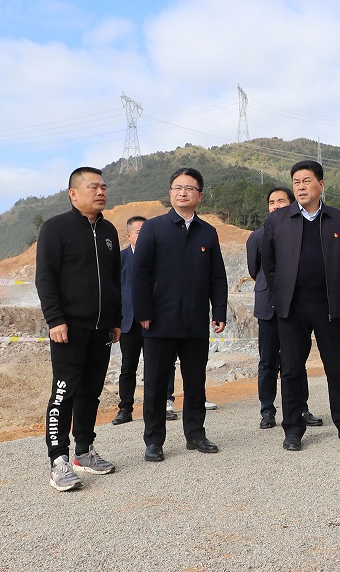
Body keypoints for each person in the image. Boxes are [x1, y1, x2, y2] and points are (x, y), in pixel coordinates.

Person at [262, 160, 340, 451]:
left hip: (329, 305)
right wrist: (280, 294)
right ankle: (293, 429)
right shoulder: (278, 219)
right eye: (296, 182)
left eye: (306, 181)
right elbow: (268, 263)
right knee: (291, 369)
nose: (300, 187)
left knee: (336, 367)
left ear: (321, 185)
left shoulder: (336, 219)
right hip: (292, 307)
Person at [132, 167, 228, 462]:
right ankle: (154, 440)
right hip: (159, 320)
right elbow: (140, 273)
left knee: (195, 381)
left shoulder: (208, 232)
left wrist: (219, 311)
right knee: (156, 383)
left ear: (200, 195)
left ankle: (195, 434)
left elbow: (217, 277)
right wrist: (143, 311)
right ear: (170, 193)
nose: (183, 192)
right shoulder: (154, 228)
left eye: (189, 188)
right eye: (178, 187)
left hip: (195, 320)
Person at [35, 166, 120, 491]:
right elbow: (45, 277)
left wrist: (116, 319)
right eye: (93, 187)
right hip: (68, 329)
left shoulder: (109, 230)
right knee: (64, 392)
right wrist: (55, 319)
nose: (101, 192)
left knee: (91, 392)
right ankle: (58, 460)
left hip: (102, 329)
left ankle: (84, 451)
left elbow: (115, 279)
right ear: (73, 194)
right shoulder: (55, 228)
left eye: (103, 187)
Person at [246, 186, 323, 430]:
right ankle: (267, 411)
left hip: (295, 306)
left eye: (281, 201)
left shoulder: (302, 231)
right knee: (268, 361)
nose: (276, 206)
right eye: (271, 202)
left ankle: (301, 408)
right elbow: (254, 269)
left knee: (296, 360)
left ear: (291, 205)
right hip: (268, 306)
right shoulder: (257, 236)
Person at [113, 216, 178, 426]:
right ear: (128, 236)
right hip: (129, 322)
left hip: (156, 321)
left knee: (162, 365)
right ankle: (125, 408)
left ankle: (165, 403)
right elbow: (115, 291)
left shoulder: (160, 257)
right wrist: (115, 321)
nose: (143, 236)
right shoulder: (120, 259)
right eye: (139, 232)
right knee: (128, 367)